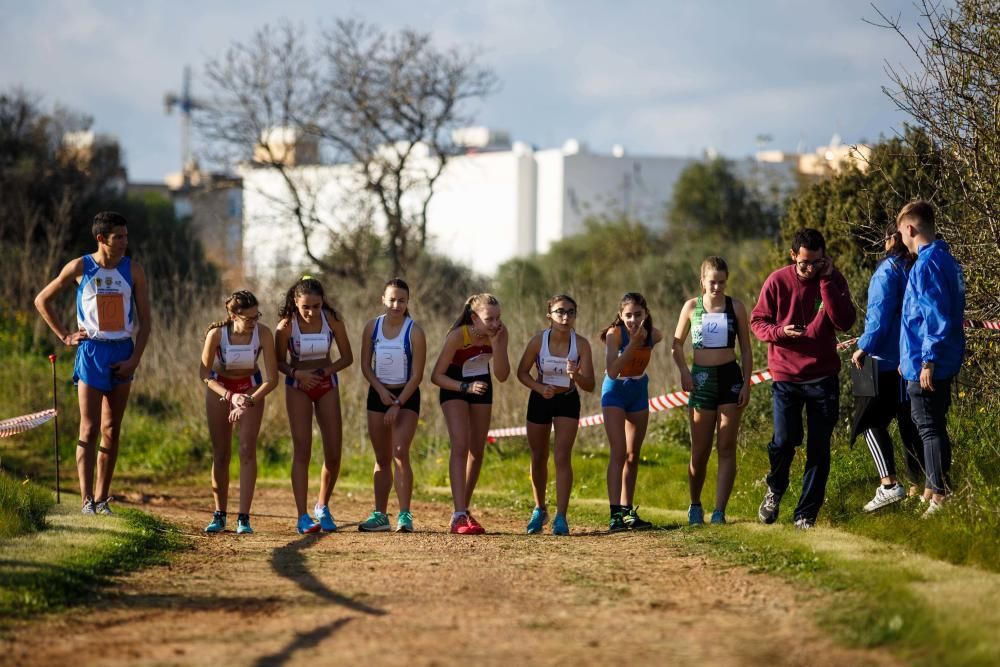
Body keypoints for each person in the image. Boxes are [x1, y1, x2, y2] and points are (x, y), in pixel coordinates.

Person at [34, 211, 151, 516]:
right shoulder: (79, 267)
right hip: (91, 352)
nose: (125, 242)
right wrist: (64, 336)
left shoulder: (133, 270)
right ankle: (86, 500)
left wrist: (134, 360)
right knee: (89, 428)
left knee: (112, 429)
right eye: (118, 237)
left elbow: (147, 322)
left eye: (126, 236)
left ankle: (102, 499)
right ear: (101, 238)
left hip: (122, 351)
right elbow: (41, 300)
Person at [751, 228, 856, 530]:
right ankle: (775, 488)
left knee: (819, 449)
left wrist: (826, 280)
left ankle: (805, 515)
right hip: (785, 376)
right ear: (793, 256)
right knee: (784, 440)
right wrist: (780, 332)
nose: (810, 269)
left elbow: (844, 321)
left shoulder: (832, 279)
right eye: (805, 263)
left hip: (823, 377)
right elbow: (758, 322)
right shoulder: (777, 280)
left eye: (817, 262)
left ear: (825, 258)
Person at [895, 201, 965, 518]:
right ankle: (931, 488)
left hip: (929, 363)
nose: (902, 240)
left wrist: (927, 360)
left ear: (910, 229)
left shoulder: (927, 265)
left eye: (901, 233)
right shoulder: (945, 259)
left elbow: (934, 317)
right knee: (932, 426)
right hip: (929, 358)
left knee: (929, 429)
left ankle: (940, 495)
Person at [672, 257, 752, 526]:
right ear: (702, 281)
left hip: (730, 378)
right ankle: (695, 504)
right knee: (700, 451)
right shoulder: (691, 306)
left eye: (721, 282)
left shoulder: (736, 307)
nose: (717, 287)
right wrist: (684, 371)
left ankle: (719, 511)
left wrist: (747, 383)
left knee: (726, 446)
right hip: (701, 381)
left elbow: (747, 350)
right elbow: (675, 344)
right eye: (712, 282)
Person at [850, 226, 923, 512]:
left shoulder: (886, 271)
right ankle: (921, 485)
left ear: (891, 240)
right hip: (908, 359)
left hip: (878, 359)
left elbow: (878, 318)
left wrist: (863, 347)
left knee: (866, 421)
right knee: (909, 423)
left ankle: (889, 484)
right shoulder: (915, 267)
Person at [275, 277, 354, 534]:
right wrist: (298, 374)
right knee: (303, 450)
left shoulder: (332, 320)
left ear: (323, 303)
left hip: (326, 384)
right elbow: (278, 362)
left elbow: (347, 357)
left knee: (333, 451)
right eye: (306, 306)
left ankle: (322, 505)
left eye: (316, 306)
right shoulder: (286, 326)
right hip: (298, 387)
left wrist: (325, 371)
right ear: (295, 303)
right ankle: (302, 516)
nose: (311, 312)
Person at [516, 294, 596, 535]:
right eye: (560, 311)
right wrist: (540, 388)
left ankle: (561, 516)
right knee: (538, 456)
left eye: (570, 312)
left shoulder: (581, 344)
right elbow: (521, 373)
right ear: (549, 315)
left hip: (567, 400)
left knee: (562, 456)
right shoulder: (537, 341)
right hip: (540, 399)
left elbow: (591, 384)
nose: (565, 317)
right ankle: (540, 509)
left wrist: (576, 376)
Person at [199, 291, 278, 534]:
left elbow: (272, 379)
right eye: (249, 318)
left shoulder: (263, 333)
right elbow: (204, 375)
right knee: (221, 453)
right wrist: (230, 396)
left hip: (250, 388)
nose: (254, 322)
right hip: (221, 389)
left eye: (257, 316)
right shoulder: (217, 334)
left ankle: (244, 517)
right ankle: (220, 514)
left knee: (246, 449)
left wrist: (248, 400)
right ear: (234, 316)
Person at [431, 293, 510, 535]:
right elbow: (436, 376)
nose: (495, 324)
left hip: (482, 384)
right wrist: (464, 387)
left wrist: (496, 345)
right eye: (489, 319)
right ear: (475, 318)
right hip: (454, 386)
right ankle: (458, 515)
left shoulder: (500, 333)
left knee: (477, 449)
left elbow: (503, 375)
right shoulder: (458, 336)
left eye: (498, 318)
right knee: (461, 445)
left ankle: (463, 509)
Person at [358, 278, 427, 532]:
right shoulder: (371, 327)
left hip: (406, 396)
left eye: (402, 300)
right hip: (378, 394)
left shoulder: (415, 331)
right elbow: (365, 365)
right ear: (383, 299)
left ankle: (405, 515)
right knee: (382, 457)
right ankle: (380, 514)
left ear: (408, 302)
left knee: (399, 452)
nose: (396, 304)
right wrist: (381, 392)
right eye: (392, 299)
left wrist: (397, 402)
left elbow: (417, 375)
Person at [601, 292, 663, 532]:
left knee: (632, 455)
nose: (633, 319)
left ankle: (628, 512)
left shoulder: (653, 335)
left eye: (638, 314)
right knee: (618, 451)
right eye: (628, 315)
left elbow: (670, 340)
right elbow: (612, 371)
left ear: (645, 314)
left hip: (638, 391)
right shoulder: (614, 335)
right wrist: (633, 345)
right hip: (615, 391)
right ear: (620, 316)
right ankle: (615, 513)